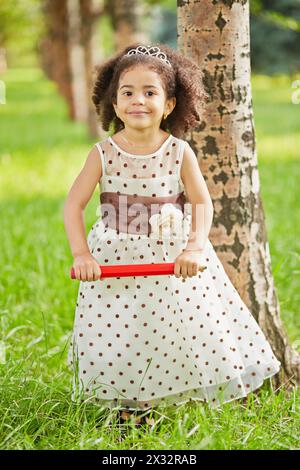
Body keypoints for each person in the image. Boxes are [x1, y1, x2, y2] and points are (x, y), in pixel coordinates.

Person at [63, 43, 281, 425]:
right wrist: (82, 254)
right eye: (127, 93)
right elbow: (73, 205)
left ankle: (172, 398)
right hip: (116, 256)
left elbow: (202, 202)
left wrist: (195, 247)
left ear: (168, 105)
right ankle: (128, 406)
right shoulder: (102, 153)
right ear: (114, 104)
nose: (138, 101)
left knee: (176, 325)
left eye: (150, 93)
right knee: (121, 328)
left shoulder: (179, 152)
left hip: (171, 256)